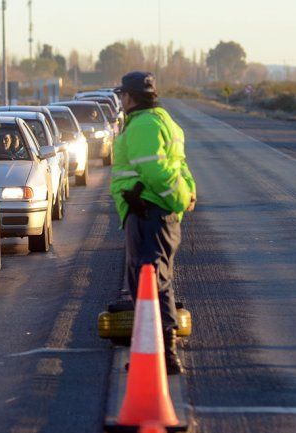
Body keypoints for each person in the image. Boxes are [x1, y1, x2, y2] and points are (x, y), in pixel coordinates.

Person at [108, 71, 196, 375]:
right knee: (155, 283)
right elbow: (180, 166)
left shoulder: (144, 125)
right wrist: (187, 194)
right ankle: (157, 352)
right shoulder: (161, 120)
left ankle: (163, 354)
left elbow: (157, 172)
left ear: (130, 97)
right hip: (153, 214)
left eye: (122, 95)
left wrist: (178, 199)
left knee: (150, 286)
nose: (121, 100)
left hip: (148, 214)